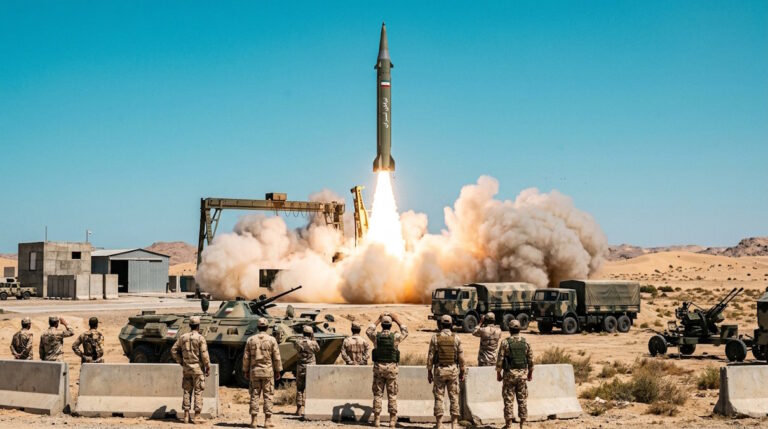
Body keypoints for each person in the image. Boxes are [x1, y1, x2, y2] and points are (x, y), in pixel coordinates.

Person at [367, 312, 409, 428]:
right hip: (391, 370)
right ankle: (392, 421)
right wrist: (397, 320)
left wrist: (378, 319)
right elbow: (405, 332)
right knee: (392, 395)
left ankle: (377, 420)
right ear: (391, 325)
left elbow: (368, 331)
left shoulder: (376, 337)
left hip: (378, 369)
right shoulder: (395, 337)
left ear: (382, 325)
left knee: (378, 394)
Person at [171, 315, 211, 424]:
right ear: (198, 326)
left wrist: (181, 362)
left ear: (190, 325)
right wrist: (207, 367)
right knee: (198, 391)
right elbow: (204, 355)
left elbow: (173, 350)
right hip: (198, 369)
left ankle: (186, 416)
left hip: (187, 369)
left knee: (187, 391)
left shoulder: (183, 337)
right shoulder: (200, 338)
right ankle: (197, 416)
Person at [243, 318, 282, 428]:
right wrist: (278, 370)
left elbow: (246, 357)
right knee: (268, 396)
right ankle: (267, 421)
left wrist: (245, 370)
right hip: (267, 372)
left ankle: (254, 421)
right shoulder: (272, 340)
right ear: (267, 327)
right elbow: (277, 357)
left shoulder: (250, 340)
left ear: (257, 327)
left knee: (254, 395)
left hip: (254, 372)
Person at [428, 315, 465, 429]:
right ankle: (454, 424)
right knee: (454, 397)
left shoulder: (435, 337)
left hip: (439, 371)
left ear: (440, 324)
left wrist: (429, 372)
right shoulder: (456, 338)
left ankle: (439, 424)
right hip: (453, 370)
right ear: (451, 324)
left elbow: (430, 356)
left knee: (439, 397)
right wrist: (462, 371)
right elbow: (461, 358)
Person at [496, 320, 534, 429]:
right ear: (520, 329)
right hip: (522, 376)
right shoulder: (526, 342)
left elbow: (500, 359)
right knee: (522, 400)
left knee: (508, 400)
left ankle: (508, 425)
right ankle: (523, 424)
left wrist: (498, 373)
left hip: (509, 375)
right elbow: (531, 360)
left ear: (510, 329)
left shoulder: (505, 342)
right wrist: (530, 373)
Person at [293, 325, 320, 417]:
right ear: (311, 333)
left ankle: (299, 409)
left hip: (301, 367)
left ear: (303, 333)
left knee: (300, 389)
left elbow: (295, 346)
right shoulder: (313, 343)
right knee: (311, 388)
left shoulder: (298, 342)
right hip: (311, 367)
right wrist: (313, 338)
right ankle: (310, 408)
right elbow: (318, 349)